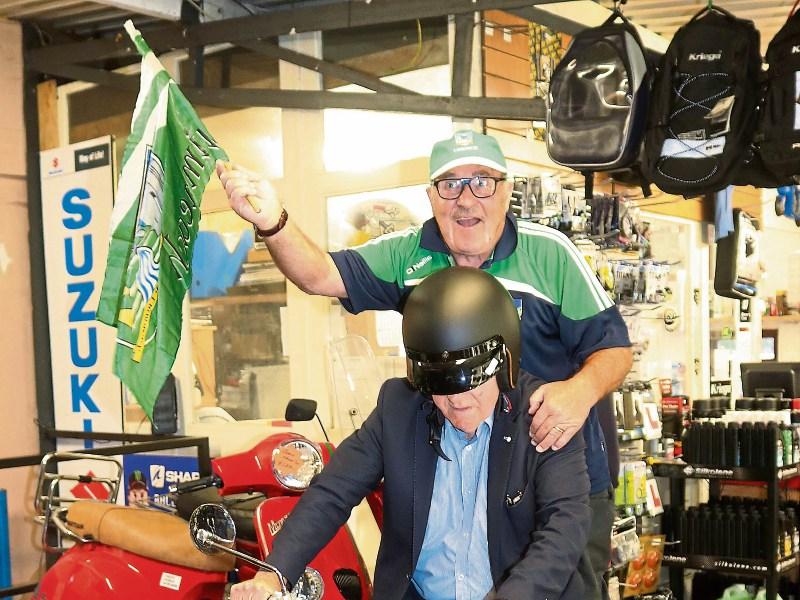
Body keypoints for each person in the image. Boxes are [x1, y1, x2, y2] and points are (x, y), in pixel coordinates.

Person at [217, 129, 632, 596]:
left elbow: (615, 347)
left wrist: (577, 394)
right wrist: (274, 222)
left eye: (482, 182)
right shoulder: (407, 263)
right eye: (450, 185)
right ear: (431, 196)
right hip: (456, 455)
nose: (466, 198)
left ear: (507, 190)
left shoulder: (551, 254)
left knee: (563, 571)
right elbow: (320, 275)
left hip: (546, 435)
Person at [231, 267, 594, 600]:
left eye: (471, 381)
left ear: (505, 362)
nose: (457, 401)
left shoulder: (546, 413)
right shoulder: (399, 409)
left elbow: (565, 525)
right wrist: (273, 574)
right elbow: (332, 491)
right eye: (440, 385)